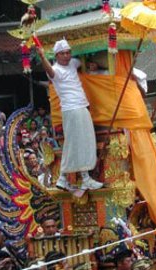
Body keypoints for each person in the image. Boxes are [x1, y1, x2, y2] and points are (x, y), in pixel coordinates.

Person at [36, 39, 103, 191]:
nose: (66, 56)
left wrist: (93, 65)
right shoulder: (55, 69)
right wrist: (42, 57)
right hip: (71, 109)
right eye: (62, 53)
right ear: (57, 55)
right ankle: (78, 178)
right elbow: (49, 71)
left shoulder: (73, 63)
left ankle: (65, 178)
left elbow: (85, 61)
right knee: (77, 143)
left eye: (68, 52)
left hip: (81, 106)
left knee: (81, 142)